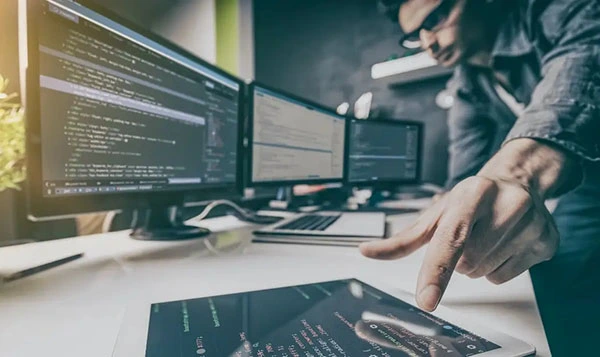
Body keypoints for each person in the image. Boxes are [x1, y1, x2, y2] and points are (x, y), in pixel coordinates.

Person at [361, 0, 600, 354]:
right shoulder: (467, 84)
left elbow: (581, 64)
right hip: (583, 185)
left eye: (437, 18)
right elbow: (462, 172)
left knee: (564, 273)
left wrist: (515, 173)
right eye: (416, 34)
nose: (429, 40)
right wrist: (443, 211)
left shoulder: (555, 11)